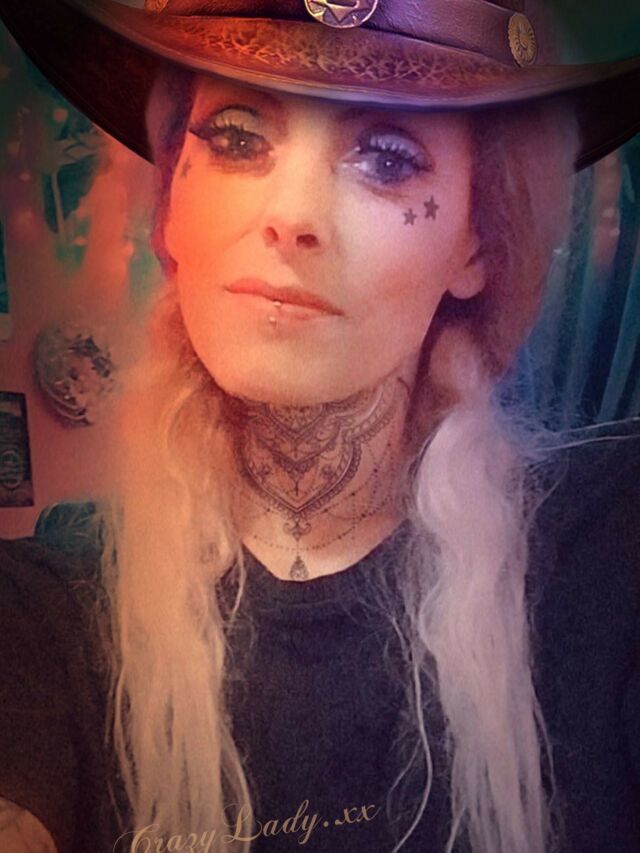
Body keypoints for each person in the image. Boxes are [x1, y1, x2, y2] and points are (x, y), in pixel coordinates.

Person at [0, 1, 639, 852]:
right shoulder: (44, 612)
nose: (292, 213)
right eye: (236, 136)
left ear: (476, 245)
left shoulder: (608, 550)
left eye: (386, 157)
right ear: (172, 204)